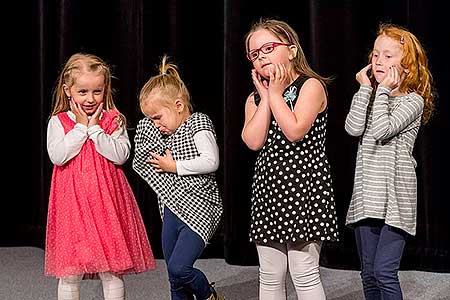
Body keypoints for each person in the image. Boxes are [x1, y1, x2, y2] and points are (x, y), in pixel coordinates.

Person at [241, 18, 339, 300]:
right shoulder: (255, 98)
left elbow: (294, 130)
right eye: (255, 54)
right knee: (270, 275)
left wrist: (274, 94)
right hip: (269, 188)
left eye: (268, 48)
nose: (261, 58)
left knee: (304, 271)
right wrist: (265, 96)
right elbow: (253, 140)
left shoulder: (311, 86)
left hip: (304, 187)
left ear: (292, 50)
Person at [45, 53, 156, 300]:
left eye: (97, 91)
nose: (90, 98)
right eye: (82, 91)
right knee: (70, 271)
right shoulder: (59, 121)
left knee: (112, 269)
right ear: (68, 91)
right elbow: (58, 156)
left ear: (105, 90)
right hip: (72, 206)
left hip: (106, 205)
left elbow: (121, 155)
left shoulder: (112, 120)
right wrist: (81, 127)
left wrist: (95, 129)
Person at [345, 23, 435, 300]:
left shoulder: (413, 101)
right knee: (368, 273)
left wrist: (381, 91)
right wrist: (365, 90)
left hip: (395, 199)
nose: (378, 61)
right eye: (375, 55)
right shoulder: (370, 96)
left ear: (407, 65)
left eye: (388, 55)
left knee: (384, 272)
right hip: (367, 194)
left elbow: (382, 129)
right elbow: (353, 128)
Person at [132, 55, 224, 300]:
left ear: (179, 106)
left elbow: (211, 161)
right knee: (174, 279)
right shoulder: (165, 135)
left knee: (179, 268)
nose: (155, 125)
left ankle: (209, 295)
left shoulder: (199, 123)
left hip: (199, 209)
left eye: (157, 117)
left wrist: (174, 166)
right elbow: (143, 150)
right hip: (173, 210)